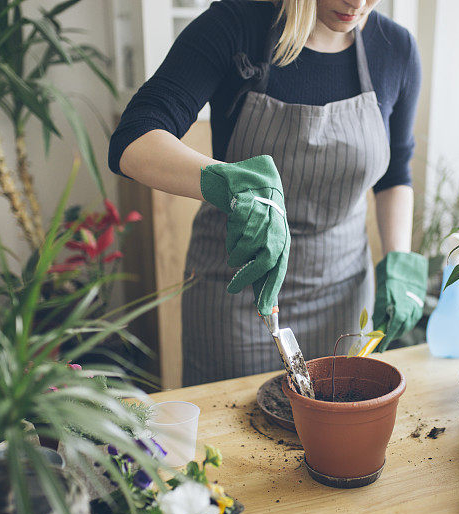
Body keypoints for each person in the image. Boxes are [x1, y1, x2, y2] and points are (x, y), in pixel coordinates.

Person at [109, 0, 428, 386]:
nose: (357, 3)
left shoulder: (395, 49)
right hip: (238, 289)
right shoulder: (235, 26)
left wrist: (398, 258)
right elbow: (134, 137)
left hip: (342, 293)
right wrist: (223, 181)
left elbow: (395, 174)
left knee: (335, 431)